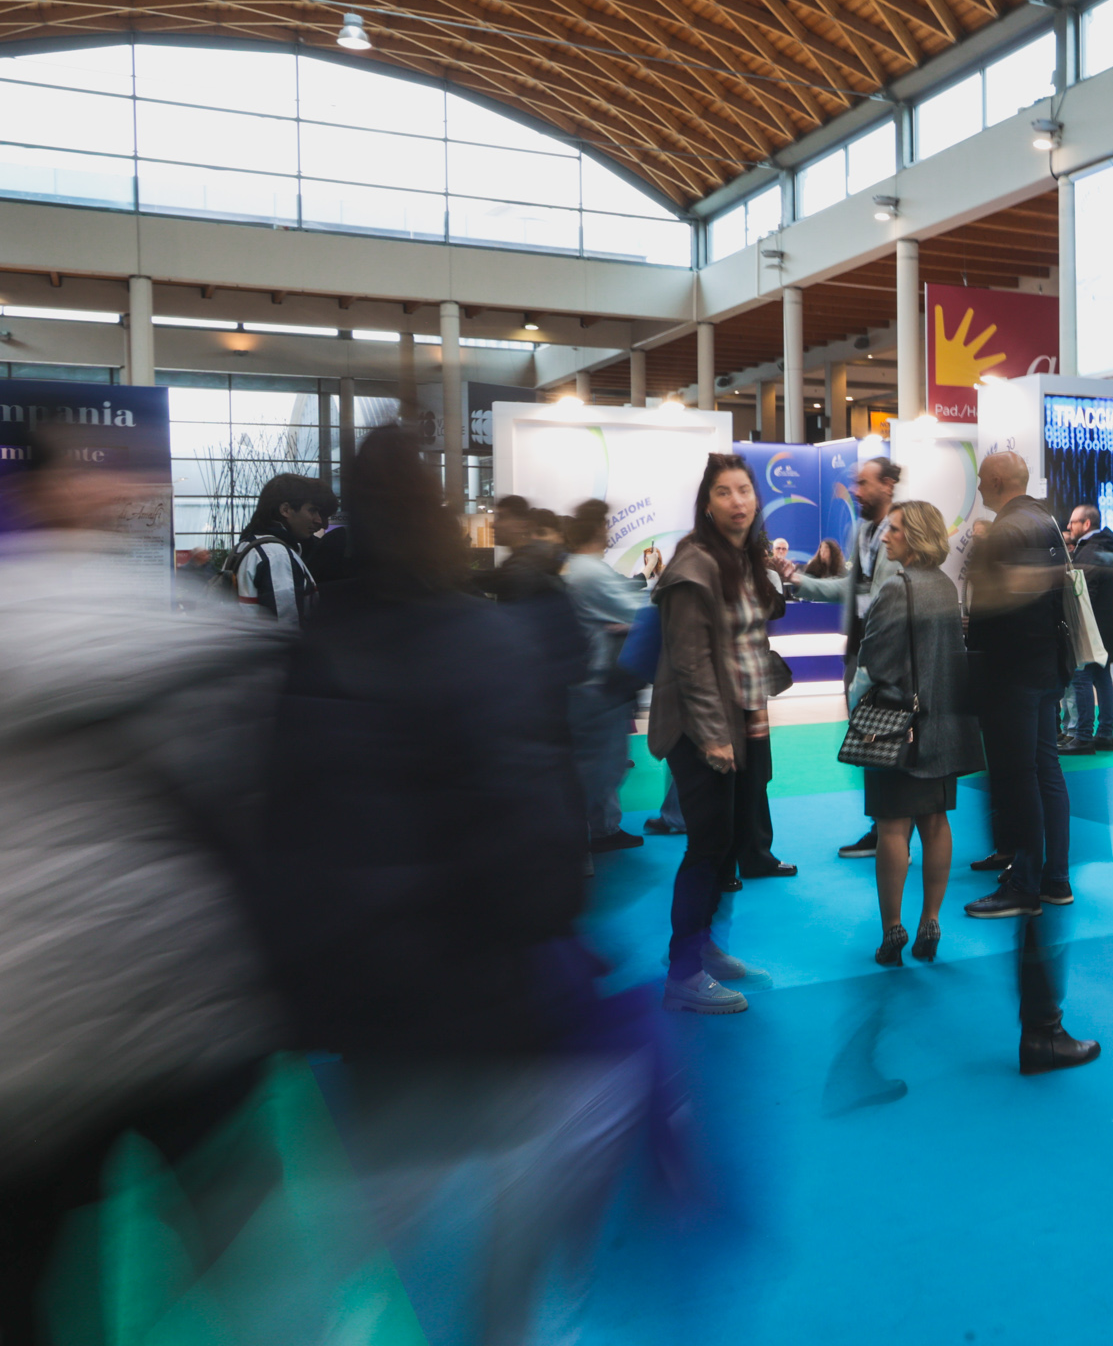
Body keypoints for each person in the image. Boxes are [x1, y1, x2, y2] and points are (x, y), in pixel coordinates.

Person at [241, 426, 641, 1344]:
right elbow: (532, 830)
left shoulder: (311, 648)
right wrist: (553, 921)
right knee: (514, 1209)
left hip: (363, 999)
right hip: (482, 987)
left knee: (370, 1212)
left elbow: (280, 823)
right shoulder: (480, 640)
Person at [0, 424, 284, 1337]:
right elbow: (247, 785)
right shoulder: (174, 618)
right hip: (177, 992)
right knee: (245, 1244)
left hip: (37, 1025)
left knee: (38, 1268)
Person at [649, 453, 793, 1015]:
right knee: (707, 847)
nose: (738, 501)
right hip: (702, 728)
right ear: (707, 503)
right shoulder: (695, 562)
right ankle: (683, 972)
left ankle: (703, 947)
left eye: (745, 490)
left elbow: (747, 641)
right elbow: (689, 661)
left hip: (741, 720)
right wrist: (713, 737)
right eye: (725, 492)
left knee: (729, 843)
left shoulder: (738, 559)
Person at [849, 500, 982, 965]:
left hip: (896, 725)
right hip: (943, 724)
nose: (886, 536)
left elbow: (875, 661)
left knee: (891, 828)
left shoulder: (895, 588)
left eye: (896, 529)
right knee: (936, 822)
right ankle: (931, 920)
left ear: (916, 535)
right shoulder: (946, 586)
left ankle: (892, 931)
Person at [962, 451, 1074, 913]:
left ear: (998, 478)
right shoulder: (1045, 522)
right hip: (1045, 668)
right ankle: (1054, 878)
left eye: (983, 477)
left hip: (1014, 673)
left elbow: (1004, 609)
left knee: (1019, 776)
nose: (979, 484)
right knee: (1045, 772)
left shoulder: (1009, 529)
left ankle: (1025, 884)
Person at [795, 457, 905, 861]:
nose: (855, 491)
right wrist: (799, 582)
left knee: (891, 743)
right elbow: (851, 587)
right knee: (868, 744)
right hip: (858, 652)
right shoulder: (862, 531)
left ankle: (896, 835)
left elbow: (896, 594)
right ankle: (882, 828)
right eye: (855, 484)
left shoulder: (903, 529)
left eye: (863, 483)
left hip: (889, 656)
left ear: (888, 485)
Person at [560, 499, 647, 853]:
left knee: (602, 762)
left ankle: (603, 828)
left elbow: (624, 596)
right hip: (596, 683)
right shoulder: (587, 571)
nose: (609, 529)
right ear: (596, 528)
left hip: (596, 680)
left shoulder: (584, 567)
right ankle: (581, 834)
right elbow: (635, 610)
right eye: (605, 524)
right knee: (602, 765)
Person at [228, 471, 334, 625]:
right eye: (312, 510)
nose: (318, 520)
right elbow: (287, 627)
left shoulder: (247, 546)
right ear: (285, 510)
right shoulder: (276, 555)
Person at [1061, 503, 1113, 755]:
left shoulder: (1090, 551)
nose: (1068, 526)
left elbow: (1081, 593)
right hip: (1107, 628)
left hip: (1091, 628)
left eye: (1073, 522)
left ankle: (1083, 736)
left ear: (1087, 524)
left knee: (1082, 677)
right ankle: (1105, 734)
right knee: (1102, 678)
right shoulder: (1107, 548)